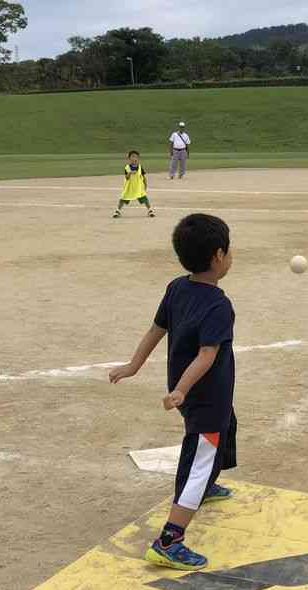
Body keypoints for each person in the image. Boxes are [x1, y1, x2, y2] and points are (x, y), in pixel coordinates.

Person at [108, 213, 238, 570]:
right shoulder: (218, 305)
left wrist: (134, 365)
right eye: (228, 250)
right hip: (201, 392)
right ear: (217, 257)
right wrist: (182, 389)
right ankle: (170, 540)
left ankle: (207, 483)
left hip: (194, 394)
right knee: (201, 454)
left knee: (225, 429)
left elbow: (155, 330)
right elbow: (207, 354)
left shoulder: (177, 287)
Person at [117, 150, 154, 218]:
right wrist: (130, 173)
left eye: (136, 157)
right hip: (129, 187)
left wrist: (145, 185)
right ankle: (118, 211)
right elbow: (127, 178)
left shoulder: (140, 167)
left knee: (144, 198)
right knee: (123, 198)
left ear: (138, 158)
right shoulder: (127, 167)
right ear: (129, 158)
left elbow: (143, 177)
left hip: (138, 187)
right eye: (132, 157)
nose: (134, 158)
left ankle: (150, 210)